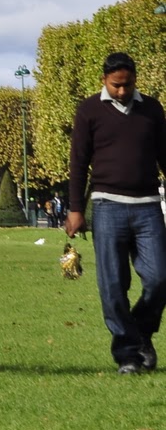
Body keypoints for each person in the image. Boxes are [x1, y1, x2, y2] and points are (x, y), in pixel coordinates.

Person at [67, 51, 166, 375]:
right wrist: (76, 209)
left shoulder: (152, 109)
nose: (122, 91)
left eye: (127, 84)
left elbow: (164, 154)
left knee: (159, 278)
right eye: (115, 85)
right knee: (113, 285)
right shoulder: (89, 110)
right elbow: (79, 162)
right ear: (104, 81)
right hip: (107, 206)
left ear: (135, 79)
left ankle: (139, 334)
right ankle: (127, 355)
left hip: (148, 207)